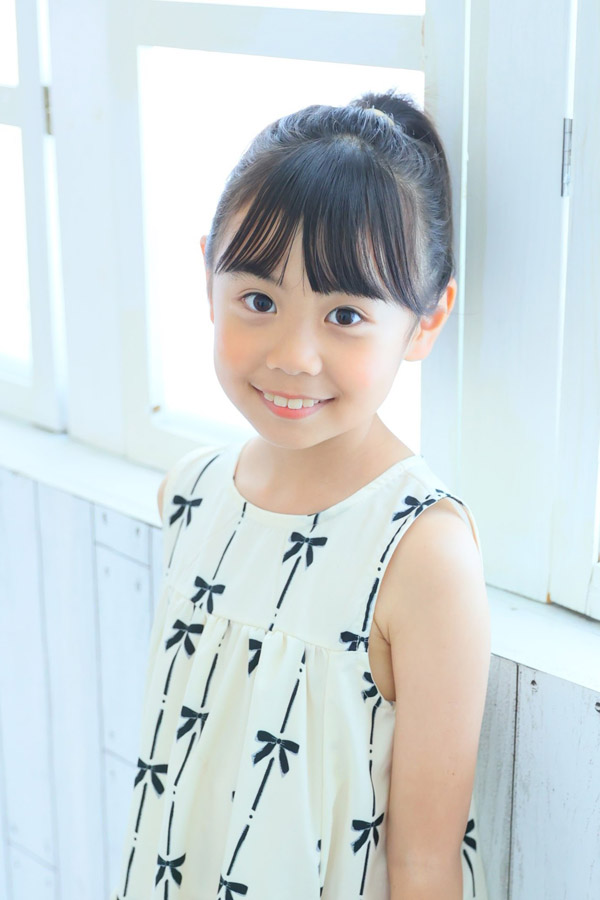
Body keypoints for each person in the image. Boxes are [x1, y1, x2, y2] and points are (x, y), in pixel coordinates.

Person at [110, 89, 491, 900]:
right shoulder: (191, 494)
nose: (293, 355)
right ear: (207, 276)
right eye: (259, 300)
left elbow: (424, 863)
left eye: (345, 314)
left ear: (426, 322)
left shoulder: (420, 551)